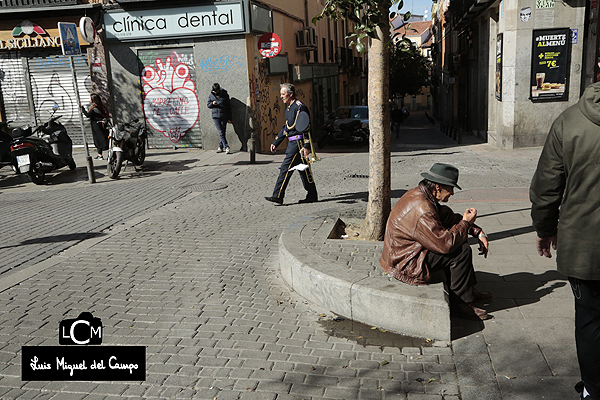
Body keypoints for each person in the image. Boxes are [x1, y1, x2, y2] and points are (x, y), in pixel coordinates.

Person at [530, 81, 600, 400]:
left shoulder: (569, 121)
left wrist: (545, 230)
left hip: (586, 247)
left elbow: (547, 188)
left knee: (590, 320)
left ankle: (593, 390)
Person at [379, 163, 491, 320]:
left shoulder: (422, 194)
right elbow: (445, 245)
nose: (452, 193)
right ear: (438, 187)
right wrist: (465, 224)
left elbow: (446, 216)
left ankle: (468, 290)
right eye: (450, 188)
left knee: (459, 242)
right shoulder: (422, 209)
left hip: (403, 252)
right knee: (460, 251)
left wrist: (476, 231)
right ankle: (460, 304)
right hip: (404, 262)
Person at [265, 83, 318, 205]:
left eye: (283, 94)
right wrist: (276, 142)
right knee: (303, 170)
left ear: (290, 94)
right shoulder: (289, 108)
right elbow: (286, 128)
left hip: (298, 145)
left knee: (285, 168)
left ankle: (278, 196)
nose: (281, 97)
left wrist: (306, 146)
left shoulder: (300, 107)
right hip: (293, 142)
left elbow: (306, 128)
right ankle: (312, 195)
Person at [81, 94, 109, 160]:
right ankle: (100, 155)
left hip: (96, 125)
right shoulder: (101, 106)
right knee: (102, 139)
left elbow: (87, 115)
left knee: (98, 140)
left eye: (90, 98)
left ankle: (101, 155)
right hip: (101, 124)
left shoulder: (94, 108)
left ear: (93, 99)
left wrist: (82, 108)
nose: (89, 99)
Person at [207, 83, 232, 154]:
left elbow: (228, 107)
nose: (215, 93)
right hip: (215, 117)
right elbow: (208, 105)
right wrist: (212, 104)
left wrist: (229, 118)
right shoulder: (211, 95)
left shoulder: (224, 95)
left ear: (219, 89)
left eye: (216, 91)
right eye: (214, 91)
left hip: (224, 116)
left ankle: (220, 146)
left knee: (222, 132)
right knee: (221, 132)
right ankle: (227, 147)